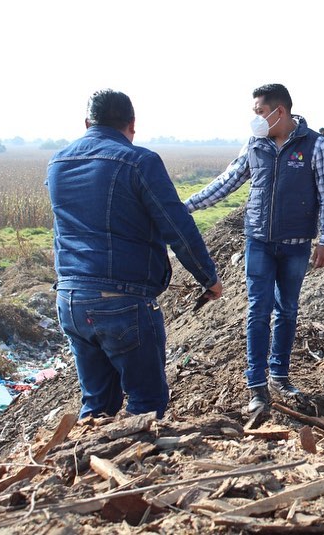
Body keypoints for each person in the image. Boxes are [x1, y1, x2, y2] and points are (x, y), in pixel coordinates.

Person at [47, 89, 222, 420]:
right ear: (132, 124)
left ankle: (83, 466)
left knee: (97, 405)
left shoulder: (58, 163)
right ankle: (138, 467)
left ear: (87, 123)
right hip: (122, 302)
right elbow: (176, 225)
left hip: (70, 300)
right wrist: (208, 278)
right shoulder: (140, 161)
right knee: (147, 404)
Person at [185, 84, 324, 416]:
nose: (255, 119)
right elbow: (227, 182)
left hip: (297, 246)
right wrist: (187, 206)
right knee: (258, 311)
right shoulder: (255, 145)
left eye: (259, 112)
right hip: (259, 243)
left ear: (278, 112)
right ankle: (257, 385)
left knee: (286, 312)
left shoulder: (315, 145)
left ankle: (279, 376)